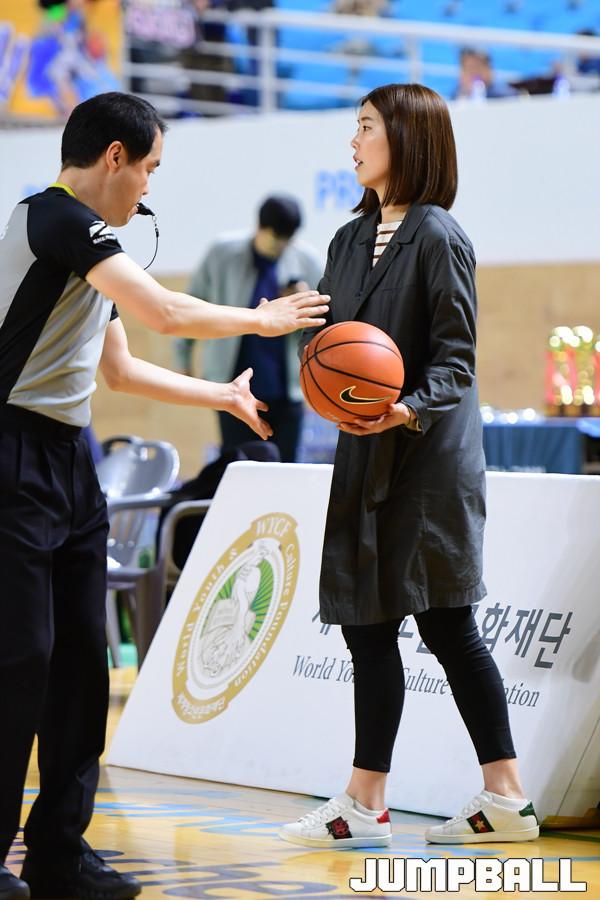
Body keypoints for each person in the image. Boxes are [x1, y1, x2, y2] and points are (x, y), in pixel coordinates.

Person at [0, 91, 328, 900]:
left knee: (83, 661)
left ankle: (58, 853)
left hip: (70, 457)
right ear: (114, 157)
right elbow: (166, 310)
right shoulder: (55, 219)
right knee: (21, 659)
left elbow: (116, 370)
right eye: (148, 167)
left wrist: (219, 396)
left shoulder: (92, 251)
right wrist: (264, 320)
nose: (149, 185)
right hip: (11, 452)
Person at [279, 83, 539, 849]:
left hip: (427, 455)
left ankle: (507, 797)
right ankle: (366, 804)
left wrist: (406, 407)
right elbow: (334, 351)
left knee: (448, 623)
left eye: (366, 127)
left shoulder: (441, 236)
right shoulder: (346, 240)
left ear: (408, 138)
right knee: (365, 626)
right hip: (363, 447)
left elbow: (457, 361)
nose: (353, 141)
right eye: (354, 127)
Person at [174, 195, 322, 461]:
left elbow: (323, 325)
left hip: (287, 390)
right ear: (259, 227)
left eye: (287, 240)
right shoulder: (223, 254)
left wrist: (302, 302)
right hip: (232, 384)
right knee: (237, 464)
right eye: (275, 239)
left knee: (285, 468)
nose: (280, 246)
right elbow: (190, 305)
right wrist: (182, 359)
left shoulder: (306, 261)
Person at [453, 47, 517, 100]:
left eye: (478, 68)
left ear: (489, 70)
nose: (474, 73)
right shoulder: (457, 95)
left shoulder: (504, 95)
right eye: (469, 69)